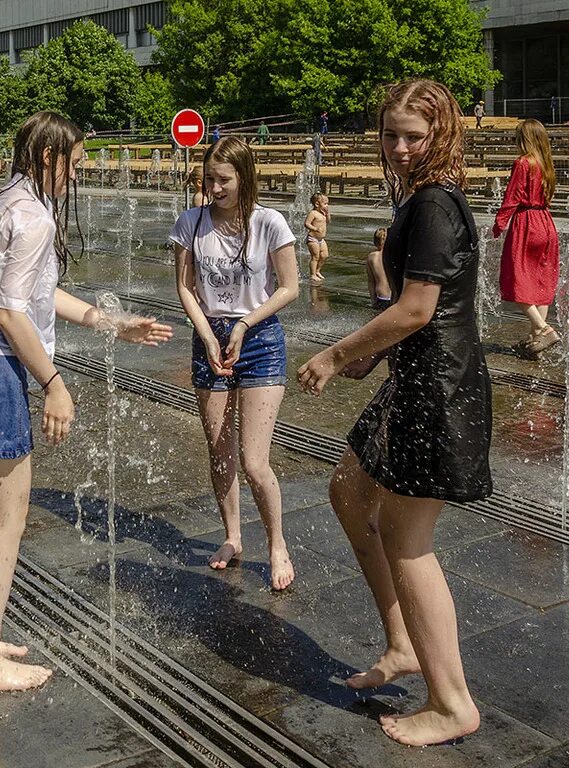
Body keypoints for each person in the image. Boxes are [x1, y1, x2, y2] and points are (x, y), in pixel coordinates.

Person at [0, 111, 172, 694]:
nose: (79, 173)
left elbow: (30, 290)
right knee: (7, 519)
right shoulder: (32, 217)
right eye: (75, 163)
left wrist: (108, 321)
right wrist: (55, 383)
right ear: (49, 158)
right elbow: (9, 311)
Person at [297, 79, 491, 747]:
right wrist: (373, 358)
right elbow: (414, 313)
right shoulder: (419, 199)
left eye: (416, 135)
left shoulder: (435, 205)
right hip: (414, 379)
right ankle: (403, 643)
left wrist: (335, 353)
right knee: (349, 491)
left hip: (438, 390)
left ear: (442, 136)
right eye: (391, 135)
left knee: (409, 542)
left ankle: (451, 701)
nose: (402, 148)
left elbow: (417, 310)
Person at [170, 135, 300, 591]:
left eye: (223, 179)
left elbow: (290, 287)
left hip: (259, 337)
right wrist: (208, 334)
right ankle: (232, 537)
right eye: (209, 179)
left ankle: (277, 543)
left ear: (244, 178)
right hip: (209, 337)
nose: (214, 188)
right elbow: (185, 286)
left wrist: (245, 324)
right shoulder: (191, 221)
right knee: (219, 451)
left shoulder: (269, 223)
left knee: (253, 460)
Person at [492, 118, 560, 356]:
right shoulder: (546, 164)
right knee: (540, 282)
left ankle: (544, 329)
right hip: (546, 223)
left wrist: (499, 224)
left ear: (525, 139)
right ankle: (535, 343)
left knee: (515, 278)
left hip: (527, 223)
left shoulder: (523, 163)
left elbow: (513, 196)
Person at [303, 193, 330, 283]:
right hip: (313, 239)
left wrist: (328, 214)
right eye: (325, 204)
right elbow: (306, 223)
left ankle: (318, 270)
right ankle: (313, 274)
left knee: (325, 255)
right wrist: (315, 228)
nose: (327, 205)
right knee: (315, 257)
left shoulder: (323, 213)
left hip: (321, 239)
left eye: (327, 203)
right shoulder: (313, 213)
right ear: (317, 204)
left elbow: (328, 221)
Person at [366, 227, 391, 310]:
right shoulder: (395, 255)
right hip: (395, 295)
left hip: (382, 296)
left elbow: (371, 281)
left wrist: (373, 300)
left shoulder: (372, 257)